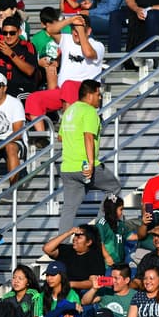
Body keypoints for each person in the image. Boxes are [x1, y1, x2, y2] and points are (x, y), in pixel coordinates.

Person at [57, 80, 121, 233]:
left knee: (69, 208)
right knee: (113, 187)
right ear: (90, 94)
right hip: (85, 165)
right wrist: (91, 163)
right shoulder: (89, 111)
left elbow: (60, 137)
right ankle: (100, 230)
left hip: (68, 167)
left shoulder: (69, 111)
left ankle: (61, 242)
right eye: (98, 94)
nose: (100, 98)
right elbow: (88, 136)